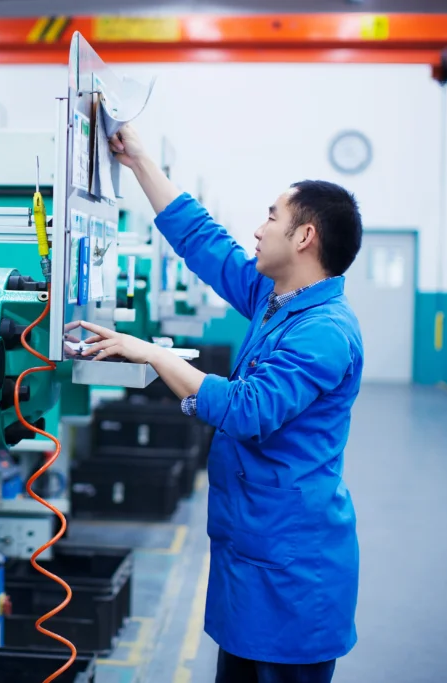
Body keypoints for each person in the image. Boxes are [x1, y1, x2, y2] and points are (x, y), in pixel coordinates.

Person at [77, 124, 364, 683]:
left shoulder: (325, 330)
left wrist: (155, 355)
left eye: (272, 218)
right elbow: (205, 244)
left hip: (292, 568)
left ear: (304, 237)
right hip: (252, 547)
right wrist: (140, 163)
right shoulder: (275, 299)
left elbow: (248, 410)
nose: (258, 231)